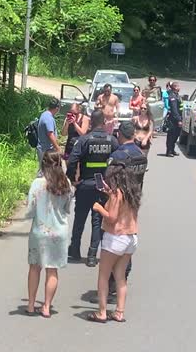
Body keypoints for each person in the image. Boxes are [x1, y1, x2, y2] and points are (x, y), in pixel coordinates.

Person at [87, 161, 142, 323]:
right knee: (120, 276)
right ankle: (119, 312)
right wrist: (109, 193)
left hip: (115, 237)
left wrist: (99, 208)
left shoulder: (116, 194)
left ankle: (102, 312)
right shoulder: (131, 192)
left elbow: (111, 218)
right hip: (131, 238)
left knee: (103, 274)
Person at [67, 110, 119, 267]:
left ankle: (75, 250)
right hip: (101, 187)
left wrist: (72, 179)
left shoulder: (84, 140)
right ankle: (91, 255)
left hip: (84, 185)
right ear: (103, 122)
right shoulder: (112, 140)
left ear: (91, 123)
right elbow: (119, 160)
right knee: (97, 221)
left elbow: (72, 160)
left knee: (79, 219)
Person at [25, 151, 73, 318]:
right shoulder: (66, 183)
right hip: (59, 232)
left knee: (34, 267)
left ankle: (31, 305)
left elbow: (30, 210)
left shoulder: (37, 184)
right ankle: (46, 306)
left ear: (43, 164)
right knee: (52, 270)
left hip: (39, 231)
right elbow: (67, 209)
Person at [37, 98, 62, 174]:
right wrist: (58, 148)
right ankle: (39, 185)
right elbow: (50, 134)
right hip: (46, 149)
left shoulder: (45, 114)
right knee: (45, 171)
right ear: (57, 108)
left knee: (45, 170)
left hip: (43, 148)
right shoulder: (48, 118)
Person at [165, 82, 183, 157]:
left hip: (178, 118)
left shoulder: (176, 95)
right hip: (173, 119)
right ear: (175, 87)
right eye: (178, 86)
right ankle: (169, 151)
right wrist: (179, 120)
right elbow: (174, 109)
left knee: (176, 135)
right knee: (171, 135)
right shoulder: (172, 96)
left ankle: (172, 149)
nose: (179, 87)